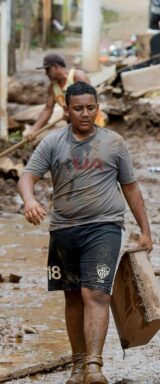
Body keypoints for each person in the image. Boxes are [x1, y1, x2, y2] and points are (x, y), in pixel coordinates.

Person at [18, 82, 152, 384]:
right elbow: (28, 176)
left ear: (98, 108)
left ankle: (94, 364)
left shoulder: (114, 142)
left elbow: (130, 187)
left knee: (96, 293)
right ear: (66, 110)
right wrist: (29, 200)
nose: (85, 114)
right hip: (64, 230)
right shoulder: (53, 143)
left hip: (104, 227)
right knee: (73, 297)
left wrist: (145, 230)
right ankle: (77, 365)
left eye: (91, 107)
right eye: (78, 108)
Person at [23, 53, 106, 141]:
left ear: (55, 67)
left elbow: (90, 102)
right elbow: (47, 109)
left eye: (47, 69)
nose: (46, 74)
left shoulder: (77, 76)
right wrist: (34, 130)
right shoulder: (53, 88)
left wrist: (71, 112)